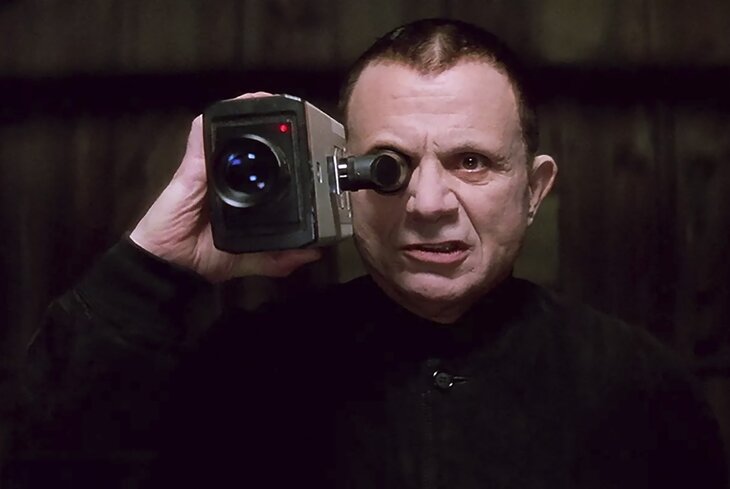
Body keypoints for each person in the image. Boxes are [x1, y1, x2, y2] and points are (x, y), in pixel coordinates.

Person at [5, 18, 727, 489]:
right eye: (389, 167)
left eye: (472, 162)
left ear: (534, 190)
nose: (429, 202)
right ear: (340, 182)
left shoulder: (640, 388)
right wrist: (151, 265)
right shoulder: (240, 371)